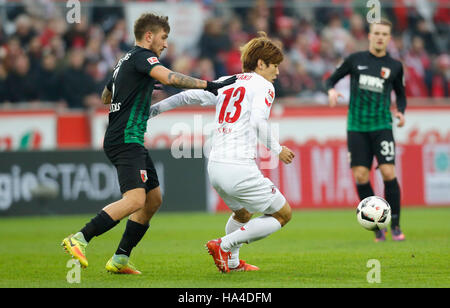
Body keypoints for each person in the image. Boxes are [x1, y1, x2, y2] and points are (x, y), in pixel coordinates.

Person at [61, 13, 236, 274]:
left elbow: (105, 96)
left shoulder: (124, 61)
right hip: (125, 139)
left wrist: (138, 87)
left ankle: (120, 259)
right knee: (134, 200)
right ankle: (79, 238)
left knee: (153, 200)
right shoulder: (144, 57)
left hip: (128, 138)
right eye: (164, 38)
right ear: (149, 36)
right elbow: (170, 78)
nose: (165, 44)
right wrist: (209, 85)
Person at [148, 31, 295, 273]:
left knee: (243, 213)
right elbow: (258, 122)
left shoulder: (228, 80)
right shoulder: (264, 86)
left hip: (215, 167)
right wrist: (278, 149)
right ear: (260, 64)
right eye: (275, 66)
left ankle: (233, 263)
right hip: (239, 167)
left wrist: (152, 111)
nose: (277, 72)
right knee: (283, 214)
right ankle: (223, 244)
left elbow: (187, 96)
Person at [325, 19, 407, 242]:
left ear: (389, 38)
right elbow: (331, 79)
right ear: (370, 36)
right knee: (361, 176)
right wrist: (331, 91)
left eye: (384, 34)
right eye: (376, 33)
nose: (380, 37)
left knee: (389, 173)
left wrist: (400, 111)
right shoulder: (355, 60)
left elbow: (400, 94)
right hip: (357, 127)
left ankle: (396, 225)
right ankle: (377, 226)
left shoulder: (395, 66)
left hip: (382, 126)